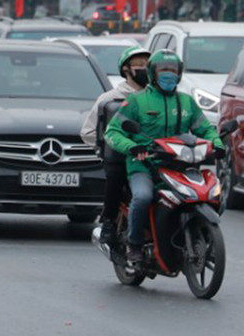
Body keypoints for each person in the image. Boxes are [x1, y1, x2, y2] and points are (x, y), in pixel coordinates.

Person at [105, 49, 224, 264]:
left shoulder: (187, 103)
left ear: (179, 74)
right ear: (152, 73)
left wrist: (217, 144)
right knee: (142, 198)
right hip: (144, 165)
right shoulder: (136, 101)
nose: (169, 74)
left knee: (213, 194)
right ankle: (134, 244)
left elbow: (205, 129)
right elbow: (112, 132)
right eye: (163, 70)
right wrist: (132, 147)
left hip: (181, 165)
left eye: (173, 70)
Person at [80, 46, 150, 243]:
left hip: (151, 156)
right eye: (140, 65)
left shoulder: (155, 98)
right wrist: (107, 148)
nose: (145, 69)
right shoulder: (109, 99)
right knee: (116, 177)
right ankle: (109, 222)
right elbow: (87, 132)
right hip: (120, 158)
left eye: (148, 64)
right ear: (126, 70)